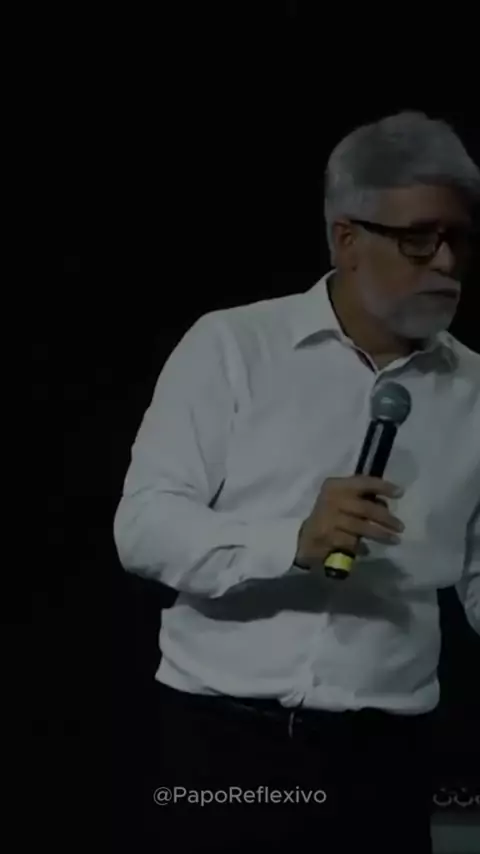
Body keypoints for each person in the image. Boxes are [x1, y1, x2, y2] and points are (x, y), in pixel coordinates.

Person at [113, 111, 480, 853]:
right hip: (222, 742)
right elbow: (145, 527)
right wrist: (293, 541)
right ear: (347, 239)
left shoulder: (476, 389)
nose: (446, 262)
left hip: (386, 757)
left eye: (459, 238)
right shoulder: (232, 346)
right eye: (419, 238)